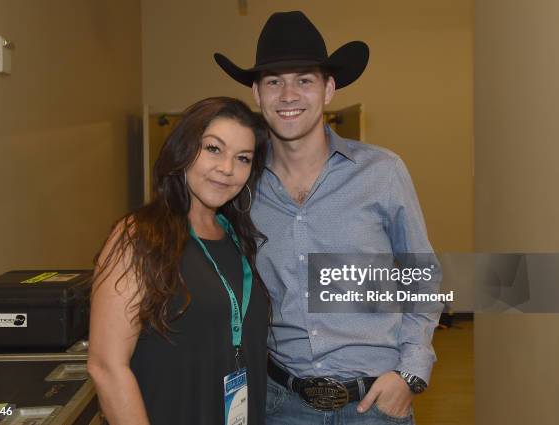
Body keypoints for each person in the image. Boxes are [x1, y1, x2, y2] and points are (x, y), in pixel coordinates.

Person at [214, 11, 441, 425]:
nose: (288, 95)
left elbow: (421, 278)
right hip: (283, 405)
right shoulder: (240, 187)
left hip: (375, 405)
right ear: (257, 93)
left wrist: (411, 374)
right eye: (274, 82)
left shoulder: (382, 172)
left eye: (304, 80)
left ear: (329, 89)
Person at [87, 97, 270, 425]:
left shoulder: (237, 238)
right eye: (213, 148)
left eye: (242, 158)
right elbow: (106, 367)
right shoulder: (141, 236)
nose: (227, 168)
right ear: (184, 149)